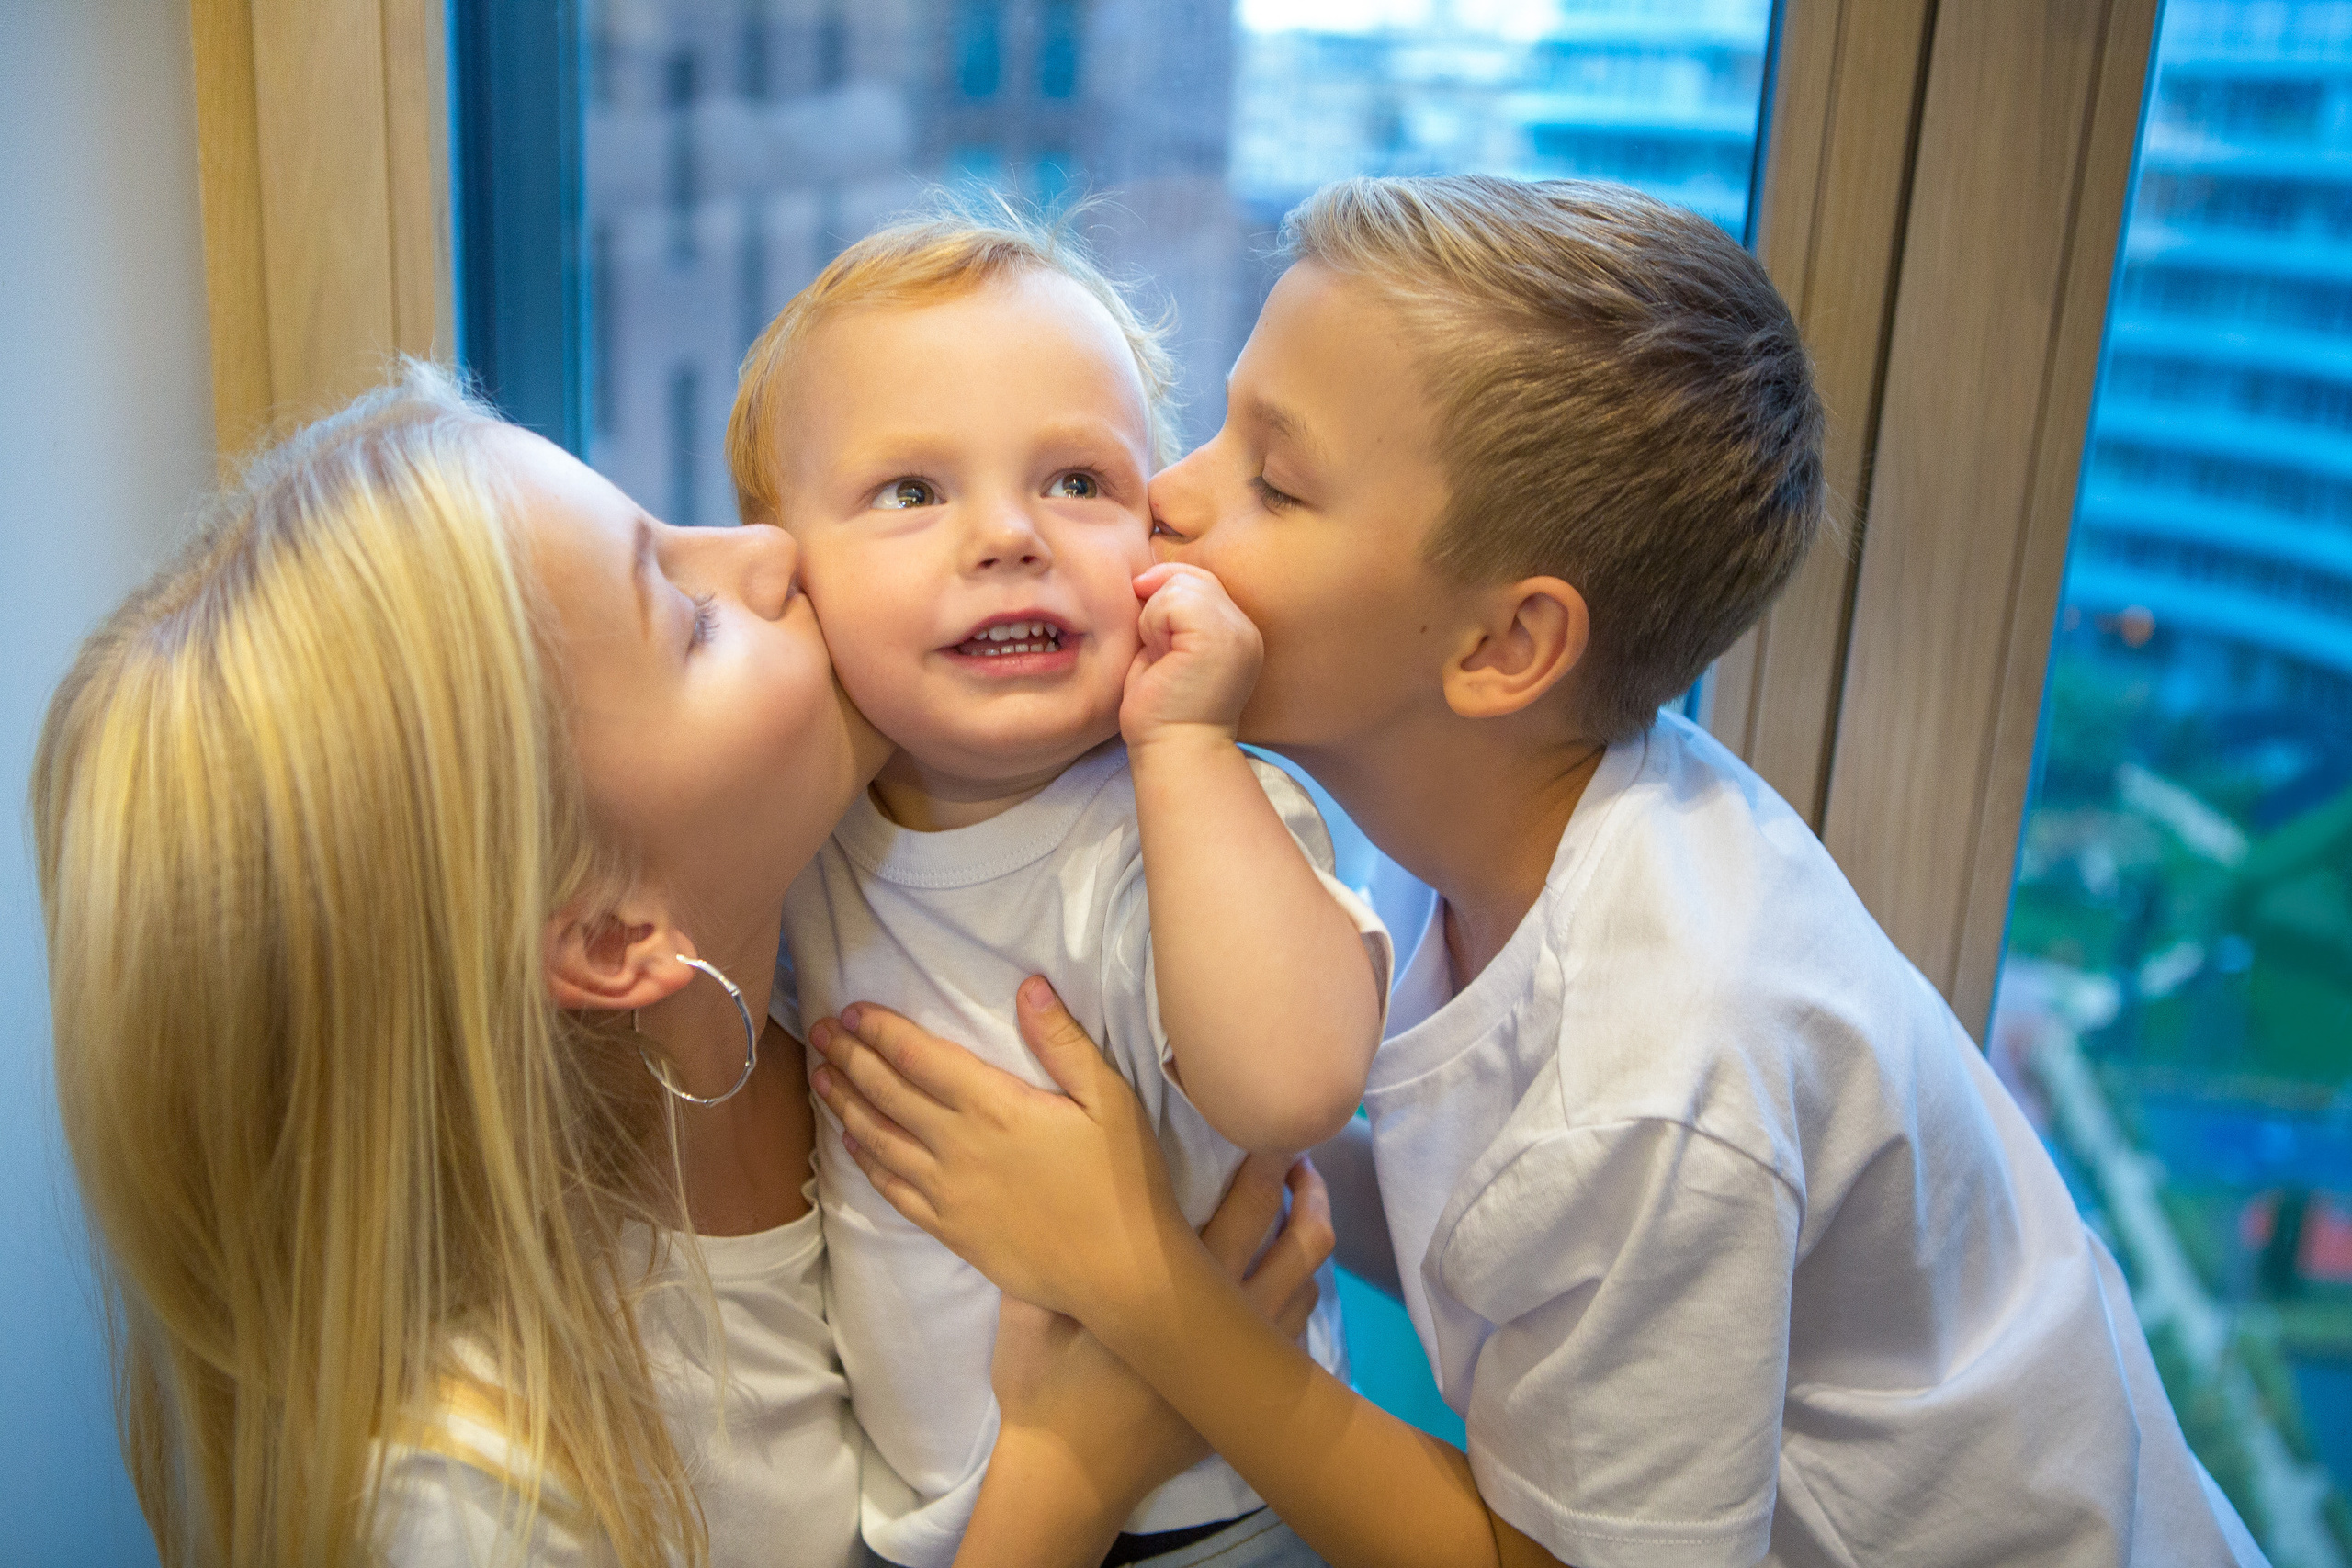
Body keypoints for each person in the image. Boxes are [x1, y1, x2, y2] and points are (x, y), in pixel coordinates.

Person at [806, 175, 2269, 1568]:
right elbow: (1485, 1193)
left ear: (1505, 649)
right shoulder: (1536, 824)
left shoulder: (1654, 1063)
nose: (1167, 503)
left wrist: (1140, 1281)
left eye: (1274, 480)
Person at [33, 364, 1331, 1568]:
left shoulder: (824, 964)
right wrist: (1069, 1477)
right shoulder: (469, 1499)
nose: (773, 554)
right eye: (690, 621)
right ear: (611, 939)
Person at [724, 208, 1387, 1568]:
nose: (1009, 535)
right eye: (912, 493)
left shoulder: (1190, 809)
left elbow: (1294, 1088)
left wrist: (1193, 744)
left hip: (1216, 1516)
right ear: (782, 568)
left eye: (1079, 482)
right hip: (930, 1526)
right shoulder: (803, 834)